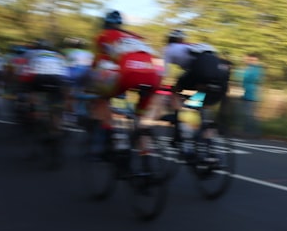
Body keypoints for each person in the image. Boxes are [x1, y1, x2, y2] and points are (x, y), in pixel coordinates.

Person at [87, 10, 162, 153]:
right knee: (140, 115)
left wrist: (92, 80)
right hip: (151, 76)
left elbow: (99, 62)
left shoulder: (104, 36)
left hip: (128, 75)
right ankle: (145, 150)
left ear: (105, 24)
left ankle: (108, 139)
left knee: (102, 99)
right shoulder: (136, 37)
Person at [162, 28, 232, 152]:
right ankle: (209, 147)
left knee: (177, 93)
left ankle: (183, 126)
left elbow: (164, 71)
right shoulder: (193, 47)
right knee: (201, 101)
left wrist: (161, 84)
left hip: (197, 77)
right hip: (219, 82)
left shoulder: (169, 49)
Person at [240, 52, 264, 138]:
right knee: (249, 114)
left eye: (251, 60)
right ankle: (251, 132)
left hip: (252, 95)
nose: (249, 61)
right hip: (248, 94)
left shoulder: (256, 69)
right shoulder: (251, 68)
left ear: (255, 60)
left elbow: (251, 79)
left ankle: (251, 132)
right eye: (249, 59)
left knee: (249, 114)